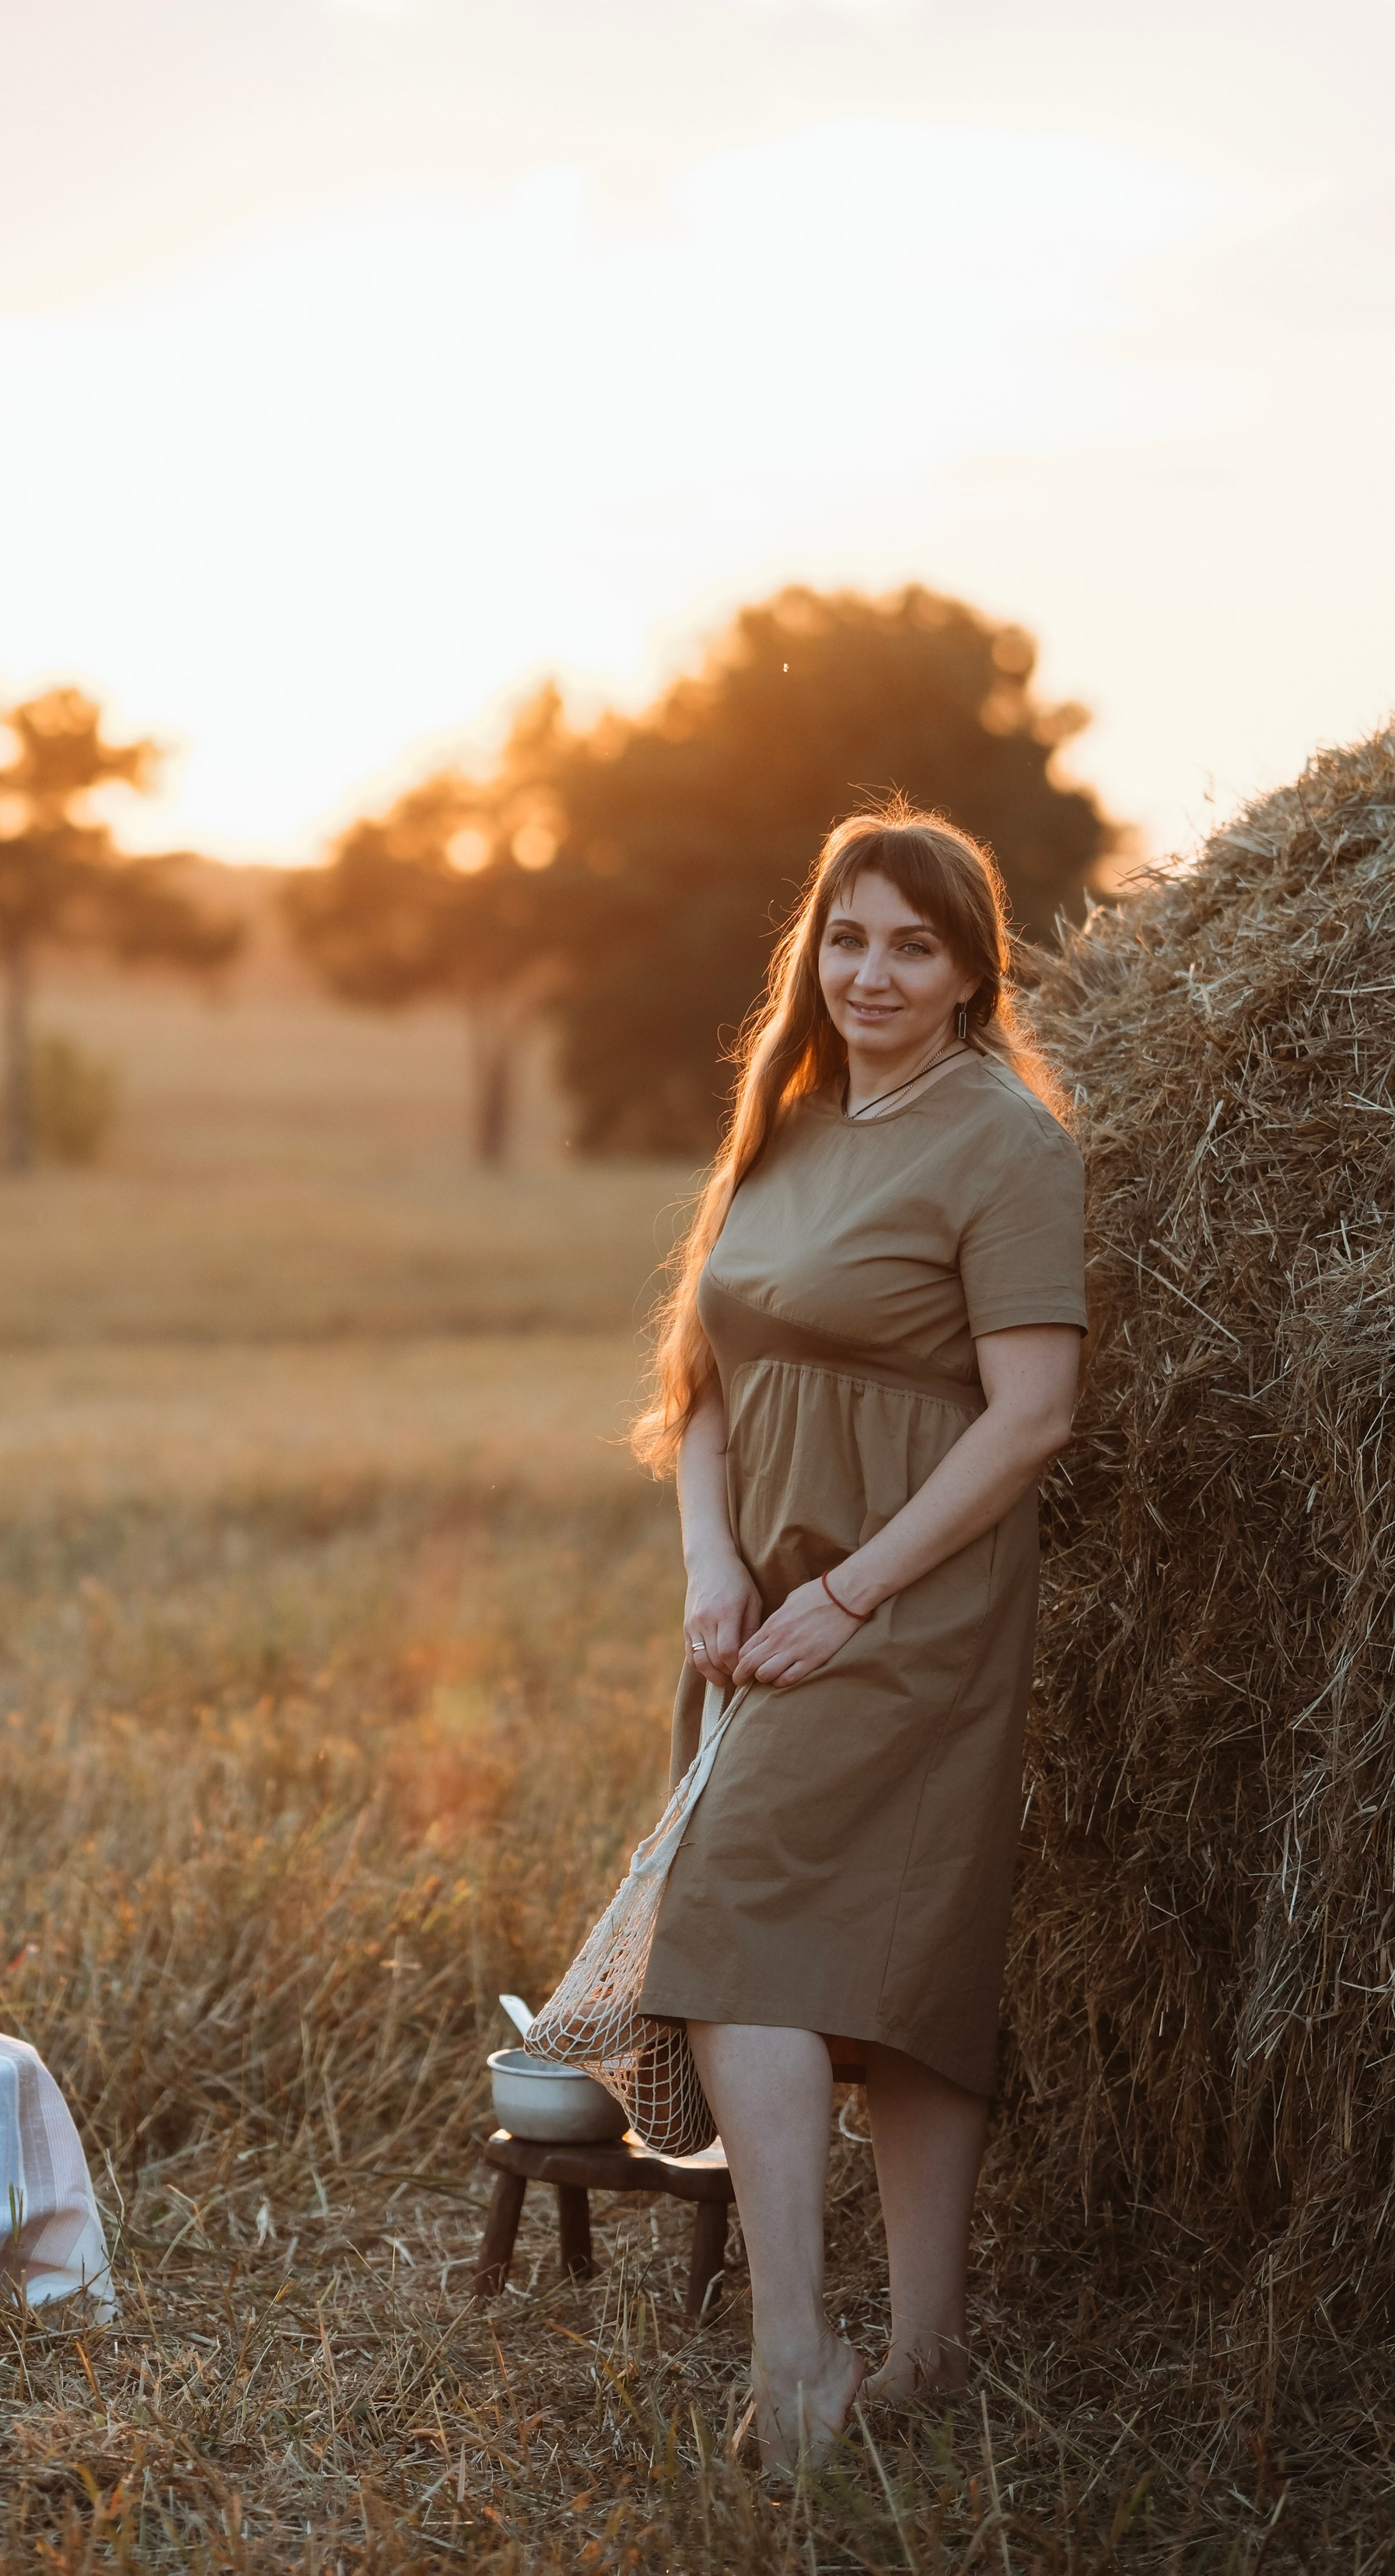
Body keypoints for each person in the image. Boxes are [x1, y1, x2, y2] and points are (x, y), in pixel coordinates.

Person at [633, 806, 1086, 2469]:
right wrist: (714, 1569)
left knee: (757, 1929)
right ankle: (924, 2354)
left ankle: (797, 2354)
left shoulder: (1004, 1146)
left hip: (911, 1604)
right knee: (861, 1949)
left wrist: (847, 1591)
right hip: (761, 1609)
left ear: (972, 973)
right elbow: (699, 1382)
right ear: (807, 955)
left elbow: (1030, 1418)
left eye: (910, 945)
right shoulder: (791, 1120)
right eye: (845, 938)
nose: (871, 972)